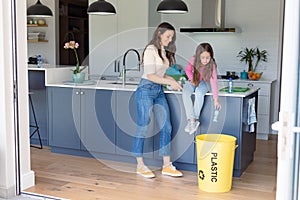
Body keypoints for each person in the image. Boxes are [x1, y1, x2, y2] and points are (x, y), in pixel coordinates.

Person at [132, 22, 183, 178]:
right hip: (146, 90)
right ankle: (140, 165)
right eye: (168, 36)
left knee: (166, 126)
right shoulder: (150, 50)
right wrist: (170, 82)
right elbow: (150, 75)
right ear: (159, 34)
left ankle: (166, 165)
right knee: (143, 126)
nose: (170, 40)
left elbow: (160, 75)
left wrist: (176, 80)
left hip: (158, 91)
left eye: (172, 37)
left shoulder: (163, 51)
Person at [182, 43, 221, 135]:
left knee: (199, 92)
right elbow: (187, 70)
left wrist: (216, 100)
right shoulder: (193, 59)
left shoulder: (212, 65)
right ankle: (191, 120)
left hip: (204, 83)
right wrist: (191, 78)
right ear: (198, 56)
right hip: (193, 80)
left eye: (208, 58)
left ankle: (195, 119)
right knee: (186, 93)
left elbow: (214, 81)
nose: (205, 60)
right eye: (202, 57)